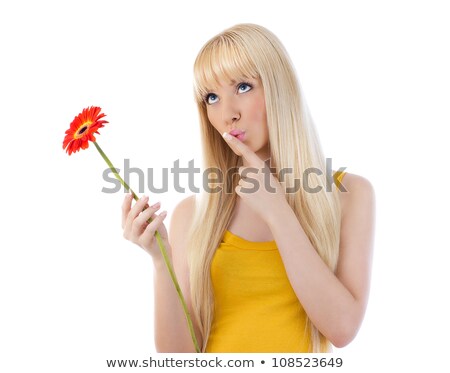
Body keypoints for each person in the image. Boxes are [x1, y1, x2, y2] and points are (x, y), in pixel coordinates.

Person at [121, 23, 375, 353]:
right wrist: (161, 262)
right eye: (212, 97)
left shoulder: (349, 194)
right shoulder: (192, 214)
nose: (228, 114)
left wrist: (277, 210)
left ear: (280, 89)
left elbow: (342, 328)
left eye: (243, 87)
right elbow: (179, 359)